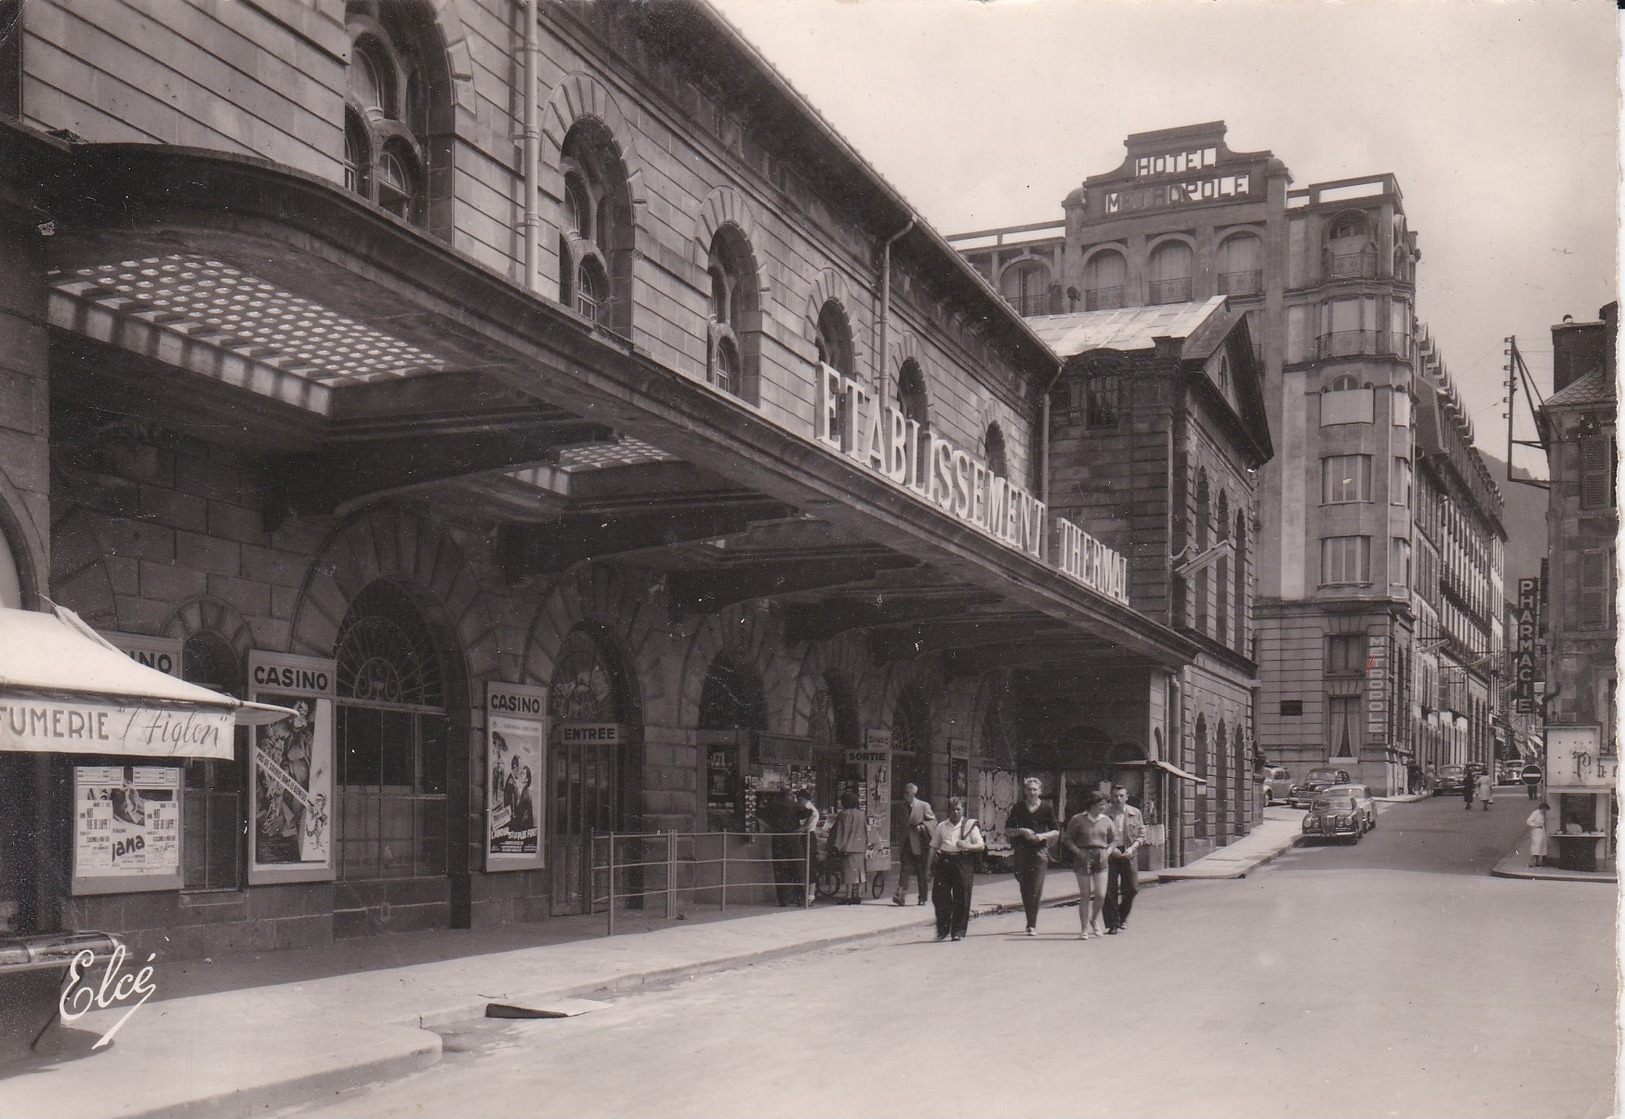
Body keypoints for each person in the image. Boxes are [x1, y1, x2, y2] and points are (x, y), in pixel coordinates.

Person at [1004, 777, 1058, 935]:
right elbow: (1008, 830)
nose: (1032, 792)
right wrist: (1022, 831)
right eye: (1029, 789)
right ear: (1025, 791)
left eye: (1035, 789)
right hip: (1021, 852)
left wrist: (1041, 836)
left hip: (1039, 852)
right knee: (1024, 887)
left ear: (1040, 791)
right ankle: (1030, 919)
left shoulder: (1047, 807)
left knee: (1035, 887)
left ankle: (1031, 924)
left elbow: (1056, 830)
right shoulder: (1018, 808)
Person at [928, 796, 984, 941]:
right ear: (948, 811)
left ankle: (958, 931)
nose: (956, 812)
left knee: (962, 897)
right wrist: (928, 868)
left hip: (962, 862)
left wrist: (967, 845)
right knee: (939, 897)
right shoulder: (941, 826)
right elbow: (933, 847)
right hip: (944, 861)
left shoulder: (970, 825)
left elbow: (980, 845)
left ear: (963, 810)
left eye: (958, 809)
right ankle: (943, 929)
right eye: (953, 810)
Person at [1062, 792, 1117, 940]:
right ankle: (1084, 928)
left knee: (1100, 894)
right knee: (1085, 894)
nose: (1104, 807)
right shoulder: (1078, 819)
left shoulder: (1107, 820)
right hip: (1083, 857)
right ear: (1092, 805)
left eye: (1104, 804)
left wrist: (1109, 851)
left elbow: (1114, 839)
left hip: (1101, 856)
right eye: (1101, 805)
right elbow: (1067, 839)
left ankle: (1094, 919)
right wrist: (1077, 852)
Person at [1104, 785, 1145, 934]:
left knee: (1132, 888)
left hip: (1129, 853)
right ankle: (1113, 923)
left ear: (1127, 797)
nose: (1118, 799)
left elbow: (1142, 834)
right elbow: (1099, 835)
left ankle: (1122, 916)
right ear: (1111, 797)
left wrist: (1133, 847)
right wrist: (1110, 849)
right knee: (1109, 889)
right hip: (1110, 853)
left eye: (1121, 796)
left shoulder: (1135, 813)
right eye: (1115, 796)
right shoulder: (1104, 814)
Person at [756, 787, 804, 907]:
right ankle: (799, 898)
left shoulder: (773, 805)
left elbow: (758, 816)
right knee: (797, 867)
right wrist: (802, 828)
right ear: (790, 795)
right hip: (793, 838)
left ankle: (784, 900)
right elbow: (812, 815)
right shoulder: (795, 805)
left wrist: (770, 828)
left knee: (780, 869)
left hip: (778, 837)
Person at [892, 783, 936, 906]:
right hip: (906, 843)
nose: (905, 795)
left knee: (921, 871)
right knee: (905, 869)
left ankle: (922, 897)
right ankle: (900, 895)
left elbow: (933, 822)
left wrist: (922, 827)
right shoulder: (901, 807)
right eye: (904, 793)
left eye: (907, 793)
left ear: (913, 794)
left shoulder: (923, 806)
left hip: (920, 843)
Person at [828, 790, 868, 905]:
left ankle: (849, 896)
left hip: (848, 847)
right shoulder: (861, 814)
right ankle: (858, 895)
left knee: (849, 873)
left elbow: (839, 831)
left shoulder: (843, 814)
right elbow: (865, 830)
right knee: (860, 872)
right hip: (860, 846)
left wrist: (836, 846)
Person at [793, 789, 821, 903]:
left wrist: (803, 827)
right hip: (805, 836)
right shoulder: (804, 808)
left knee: (810, 865)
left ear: (805, 799)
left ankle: (810, 895)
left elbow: (812, 816)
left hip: (809, 836)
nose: (798, 802)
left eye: (800, 800)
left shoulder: (810, 809)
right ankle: (806, 894)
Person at [1526, 801, 1550, 868]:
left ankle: (1538, 862)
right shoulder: (1535, 813)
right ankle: (1532, 862)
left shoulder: (1541, 814)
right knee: (1536, 846)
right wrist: (1535, 825)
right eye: (1545, 810)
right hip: (1536, 831)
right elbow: (1528, 821)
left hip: (1542, 831)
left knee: (1541, 846)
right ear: (1543, 808)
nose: (1545, 811)